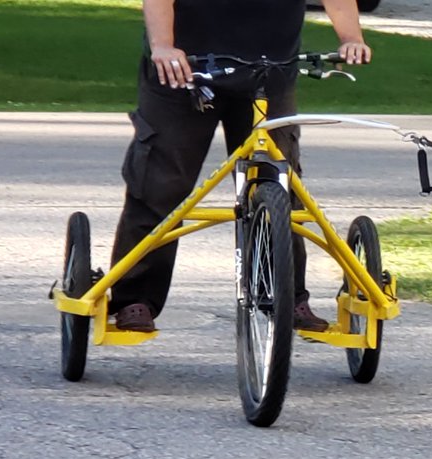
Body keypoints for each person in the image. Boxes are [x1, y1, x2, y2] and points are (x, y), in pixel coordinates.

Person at [109, 0, 373, 332]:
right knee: (161, 183)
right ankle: (134, 297)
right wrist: (163, 45)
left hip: (269, 72)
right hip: (183, 71)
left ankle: (286, 296)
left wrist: (351, 37)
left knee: (277, 186)